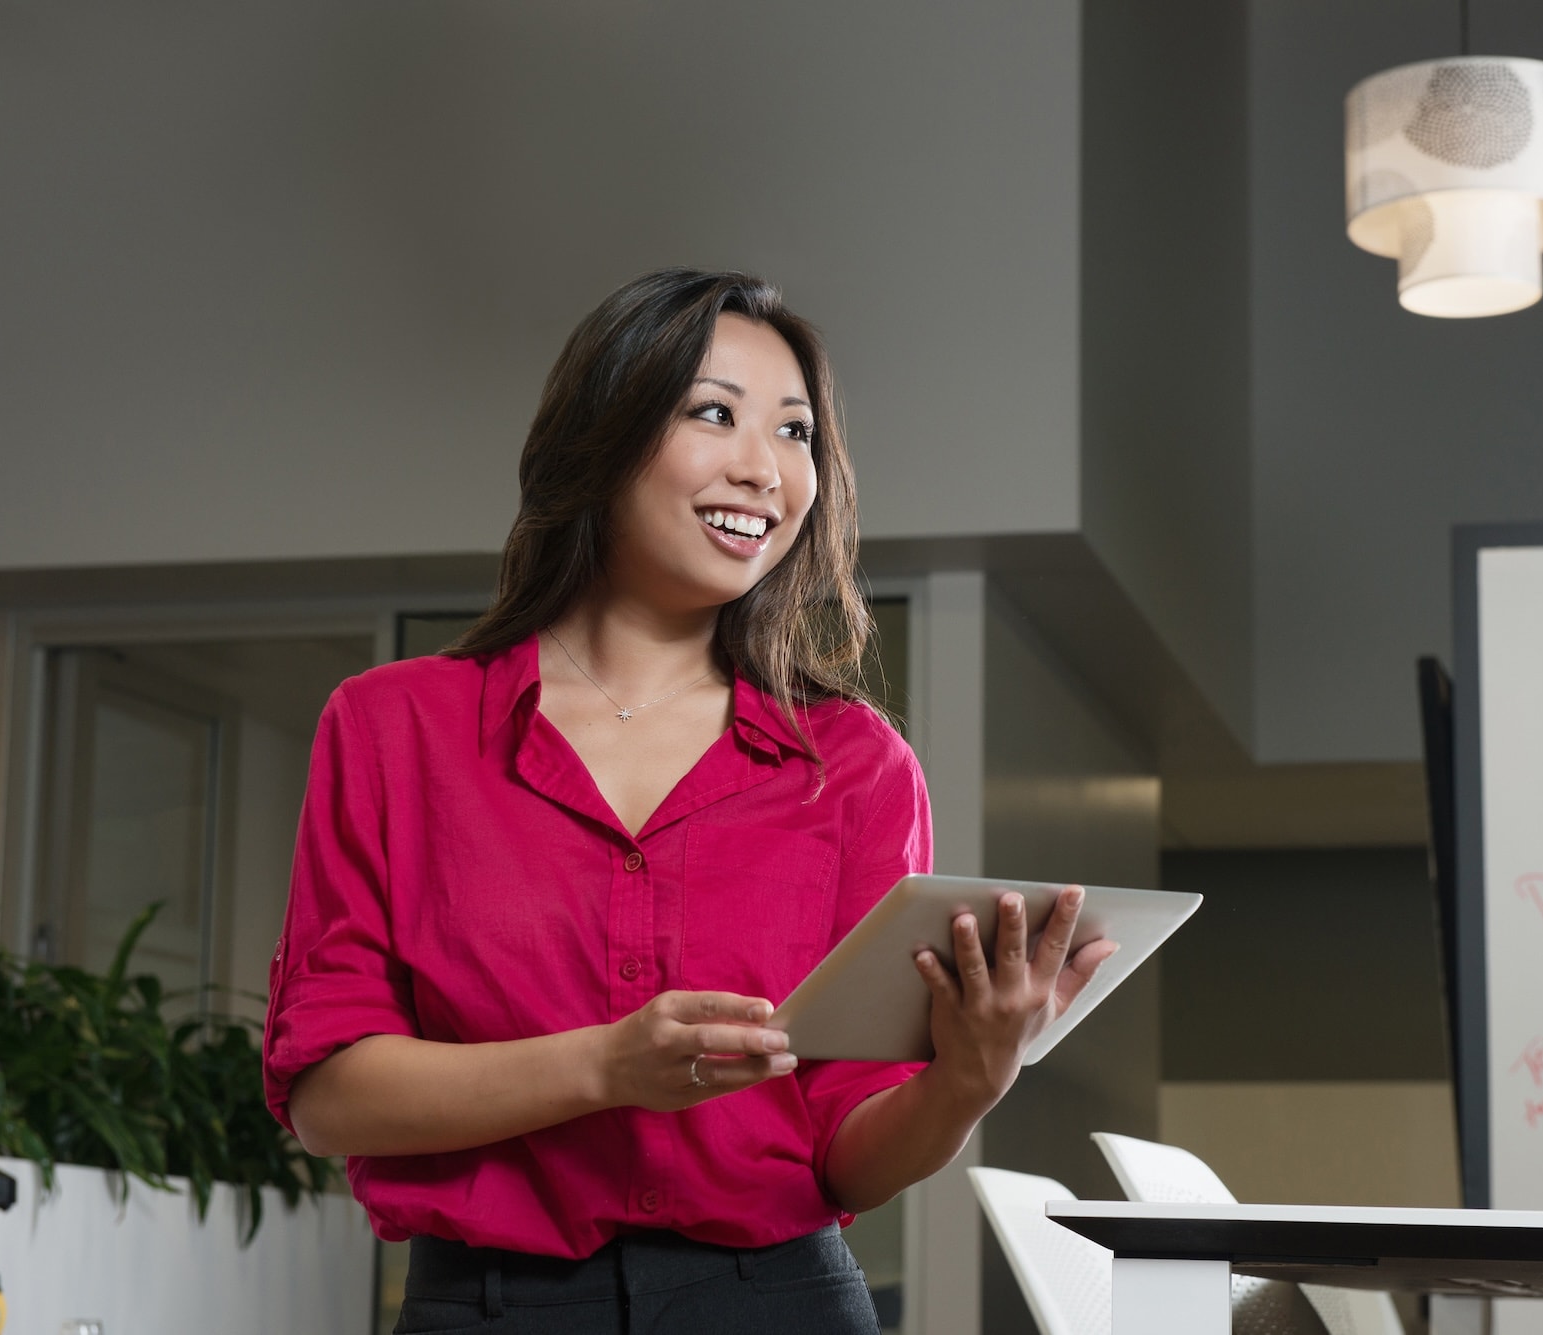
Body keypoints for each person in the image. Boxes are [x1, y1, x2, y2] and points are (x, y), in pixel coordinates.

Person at [262, 268, 1118, 1333]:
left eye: (796, 433)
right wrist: (607, 1065)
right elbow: (330, 1096)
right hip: (483, 1310)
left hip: (780, 1306)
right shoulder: (395, 727)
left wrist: (967, 1081)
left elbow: (847, 1157)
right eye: (714, 415)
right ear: (601, 439)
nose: (764, 470)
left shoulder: (853, 764)